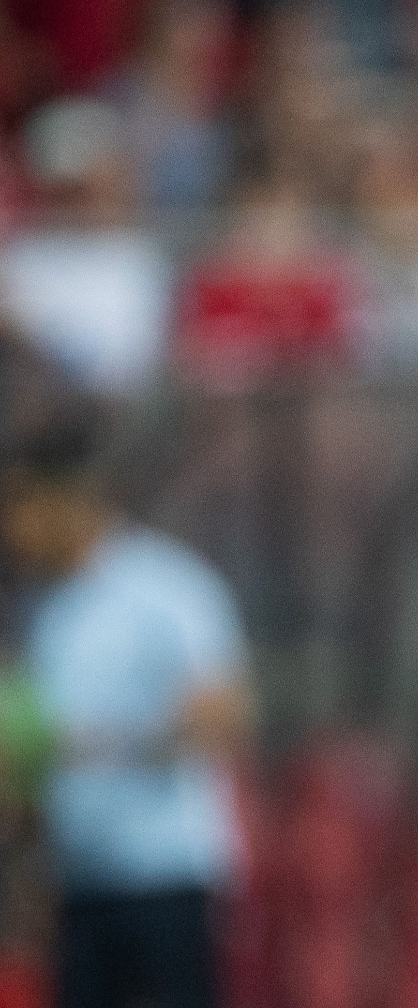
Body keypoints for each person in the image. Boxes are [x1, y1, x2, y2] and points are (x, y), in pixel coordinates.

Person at [0, 418, 251, 1008]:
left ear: (67, 500)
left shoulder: (163, 587)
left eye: (21, 506)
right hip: (80, 886)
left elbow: (222, 717)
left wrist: (100, 747)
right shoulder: (42, 609)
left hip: (164, 884)